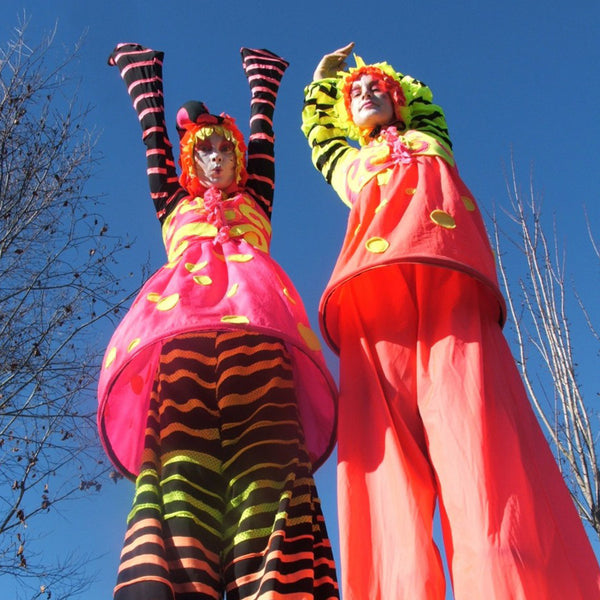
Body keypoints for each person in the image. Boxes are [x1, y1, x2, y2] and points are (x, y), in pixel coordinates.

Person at [301, 42, 600, 600]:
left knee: (479, 448)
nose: (363, 93)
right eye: (354, 94)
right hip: (373, 292)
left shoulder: (431, 140)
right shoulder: (349, 165)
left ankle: (510, 587)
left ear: (399, 100)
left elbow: (422, 98)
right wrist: (323, 83)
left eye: (376, 88)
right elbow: (319, 134)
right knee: (386, 461)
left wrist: (386, 74)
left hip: (450, 284)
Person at [98, 43, 339, 600]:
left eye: (223, 152)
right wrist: (143, 78)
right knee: (181, 468)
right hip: (181, 335)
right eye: (201, 153)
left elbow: (264, 138)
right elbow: (153, 144)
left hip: (256, 333)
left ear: (239, 161)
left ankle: (276, 583)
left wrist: (263, 83)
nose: (213, 161)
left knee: (269, 465)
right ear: (188, 164)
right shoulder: (174, 205)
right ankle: (177, 582)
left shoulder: (255, 198)